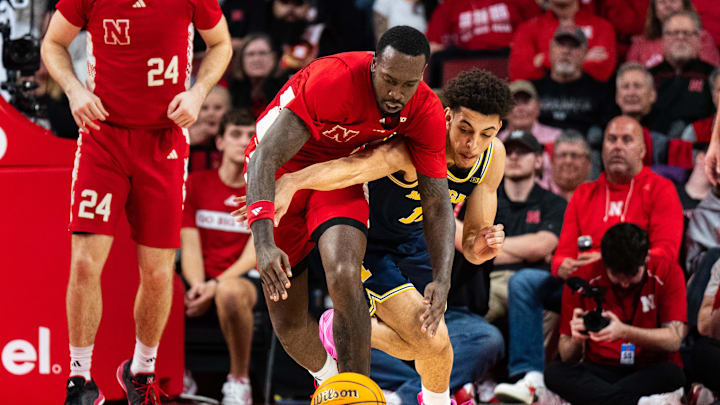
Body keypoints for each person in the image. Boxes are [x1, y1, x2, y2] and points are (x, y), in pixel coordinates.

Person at [240, 68, 512, 405]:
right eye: (465, 129)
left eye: (486, 133)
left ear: (498, 130)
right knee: (435, 340)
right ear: (446, 118)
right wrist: (293, 181)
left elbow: (471, 246)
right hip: (373, 246)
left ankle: (335, 333)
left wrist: (483, 247)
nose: (472, 144)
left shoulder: (493, 157)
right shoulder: (414, 148)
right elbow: (352, 167)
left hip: (417, 244)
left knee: (433, 348)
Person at [243, 25, 456, 389]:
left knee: (344, 272)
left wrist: (442, 277)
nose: (396, 93)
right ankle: (331, 384)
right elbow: (265, 157)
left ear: (422, 77)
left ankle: (357, 393)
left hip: (335, 178)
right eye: (389, 80)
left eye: (408, 84)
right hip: (280, 175)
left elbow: (437, 203)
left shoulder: (424, 108)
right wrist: (262, 241)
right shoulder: (334, 79)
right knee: (288, 322)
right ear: (374, 65)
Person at [41, 0, 232, 403]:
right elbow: (53, 43)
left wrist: (198, 93)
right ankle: (79, 380)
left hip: (162, 141)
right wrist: (74, 90)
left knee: (159, 272)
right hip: (103, 136)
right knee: (83, 262)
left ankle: (142, 370)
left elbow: (221, 45)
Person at [545, 223, 688, 405]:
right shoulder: (581, 280)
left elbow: (674, 340)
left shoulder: (668, 272)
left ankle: (602, 400)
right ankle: (638, 403)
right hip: (600, 369)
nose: (625, 283)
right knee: (554, 372)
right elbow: (567, 356)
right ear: (603, 262)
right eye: (617, 275)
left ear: (646, 258)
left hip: (649, 369)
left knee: (673, 374)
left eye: (632, 274)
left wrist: (624, 332)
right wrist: (576, 339)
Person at [181, 109, 258, 405]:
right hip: (199, 276)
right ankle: (177, 372)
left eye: (250, 136)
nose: (243, 142)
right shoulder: (195, 184)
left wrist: (213, 284)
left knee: (228, 292)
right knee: (163, 289)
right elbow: (189, 243)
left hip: (242, 282)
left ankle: (240, 381)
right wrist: (198, 285)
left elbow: (251, 257)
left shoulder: (262, 190)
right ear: (220, 142)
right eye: (235, 135)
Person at [551, 116, 684, 283]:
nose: (617, 146)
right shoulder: (583, 193)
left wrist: (606, 262)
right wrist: (563, 266)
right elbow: (561, 257)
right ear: (602, 149)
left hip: (638, 283)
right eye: (611, 140)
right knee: (524, 282)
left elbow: (665, 254)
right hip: (585, 284)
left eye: (627, 140)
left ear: (642, 151)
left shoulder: (661, 189)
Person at [485, 131, 567, 324]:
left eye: (522, 152)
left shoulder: (554, 202)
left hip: (535, 280)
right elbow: (472, 251)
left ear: (538, 161)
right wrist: (530, 252)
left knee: (552, 313)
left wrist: (491, 245)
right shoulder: (484, 198)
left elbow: (541, 246)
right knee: (471, 314)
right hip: (491, 280)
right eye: (509, 151)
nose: (513, 156)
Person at [531, 26, 612, 139]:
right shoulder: (532, 91)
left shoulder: (600, 92)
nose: (566, 51)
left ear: (584, 52)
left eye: (573, 46)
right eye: (561, 45)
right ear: (551, 49)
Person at [509, 0, 616, 82]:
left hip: (590, 100)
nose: (566, 52)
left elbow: (602, 71)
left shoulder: (602, 27)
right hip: (542, 102)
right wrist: (583, 58)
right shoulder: (528, 28)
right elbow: (519, 73)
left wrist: (542, 60)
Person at [649, 10, 715, 137]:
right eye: (674, 33)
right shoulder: (649, 77)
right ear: (664, 38)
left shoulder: (712, 75)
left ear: (698, 38)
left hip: (699, 147)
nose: (680, 38)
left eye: (686, 33)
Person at [497, 80, 561, 190]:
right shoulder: (495, 143)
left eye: (526, 102)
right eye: (514, 103)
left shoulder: (557, 138)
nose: (520, 108)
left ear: (538, 107)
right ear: (504, 110)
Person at [626, 0, 719, 68]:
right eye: (662, 2)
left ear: (684, 5)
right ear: (654, 10)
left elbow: (711, 76)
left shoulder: (701, 37)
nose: (668, 5)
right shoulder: (640, 44)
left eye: (673, 1)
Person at [425, 0, 541, 53]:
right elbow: (433, 46)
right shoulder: (449, 6)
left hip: (511, 64)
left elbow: (541, 29)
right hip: (467, 69)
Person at [614, 62, 668, 166]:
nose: (631, 93)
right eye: (625, 87)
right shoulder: (608, 131)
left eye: (637, 86)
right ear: (617, 97)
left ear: (652, 95)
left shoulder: (669, 129)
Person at [228, 33, 285, 118]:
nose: (257, 59)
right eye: (250, 54)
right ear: (241, 60)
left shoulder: (287, 88)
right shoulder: (231, 89)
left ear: (274, 57)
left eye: (262, 53)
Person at [545, 129, 592, 201]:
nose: (568, 161)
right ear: (552, 161)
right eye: (562, 155)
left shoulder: (601, 197)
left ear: (588, 163)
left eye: (575, 155)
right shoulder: (536, 195)